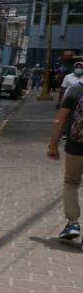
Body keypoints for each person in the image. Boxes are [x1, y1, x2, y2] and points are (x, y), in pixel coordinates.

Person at [48, 81, 83, 240]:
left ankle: (73, 223)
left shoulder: (75, 90)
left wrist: (53, 146)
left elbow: (60, 120)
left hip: (76, 147)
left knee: (71, 183)